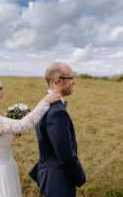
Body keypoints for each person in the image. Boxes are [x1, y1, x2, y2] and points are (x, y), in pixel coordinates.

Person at [0, 75, 61, 197]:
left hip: (5, 167)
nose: (4, 92)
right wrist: (45, 102)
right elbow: (22, 126)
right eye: (0, 88)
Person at [29, 62, 87, 197]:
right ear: (58, 81)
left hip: (49, 174)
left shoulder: (45, 101)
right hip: (58, 180)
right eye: (71, 78)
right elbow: (66, 155)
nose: (74, 82)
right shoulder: (56, 112)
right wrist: (80, 177)